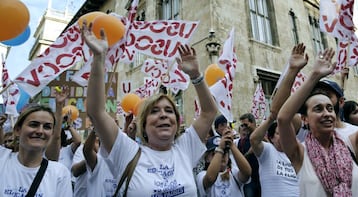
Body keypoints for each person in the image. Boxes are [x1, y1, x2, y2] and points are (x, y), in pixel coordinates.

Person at [82, 20, 217, 196]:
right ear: (143, 125)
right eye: (154, 111)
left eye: (169, 111)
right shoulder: (127, 151)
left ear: (177, 122)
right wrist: (99, 58)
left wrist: (196, 75)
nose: (163, 115)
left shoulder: (184, 149)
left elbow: (209, 112)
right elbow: (96, 113)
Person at [277, 27, 358, 196]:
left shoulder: (351, 142)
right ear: (305, 119)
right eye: (318, 109)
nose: (326, 113)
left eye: (330, 108)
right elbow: (282, 118)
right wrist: (314, 75)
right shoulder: (299, 153)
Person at [250, 43, 309, 197]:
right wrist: (292, 71)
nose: (282, 135)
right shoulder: (267, 152)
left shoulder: (299, 151)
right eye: (278, 133)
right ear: (270, 138)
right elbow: (254, 139)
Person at [0, 104, 72, 196]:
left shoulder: (59, 173)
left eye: (47, 127)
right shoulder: (2, 159)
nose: (40, 131)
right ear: (18, 130)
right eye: (33, 125)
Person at [196, 130, 251, 196]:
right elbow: (210, 178)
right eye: (214, 154)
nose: (221, 155)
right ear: (207, 158)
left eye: (225, 152)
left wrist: (232, 145)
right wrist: (220, 149)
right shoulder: (201, 175)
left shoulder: (233, 172)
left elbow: (247, 173)